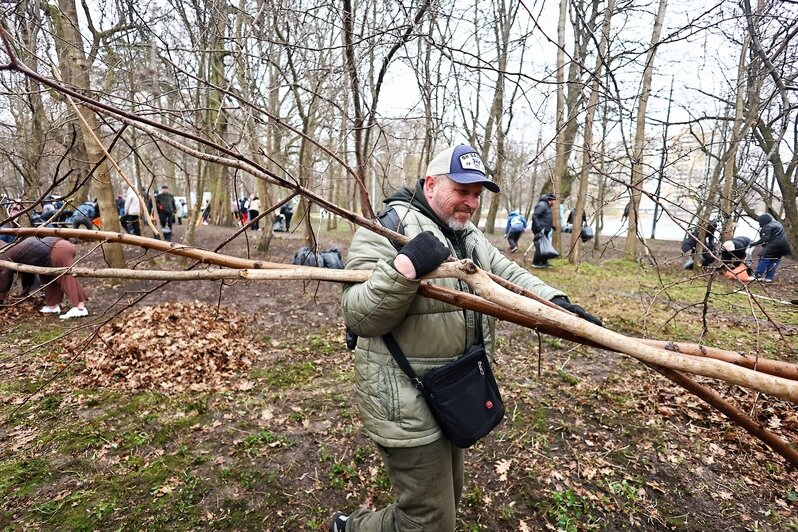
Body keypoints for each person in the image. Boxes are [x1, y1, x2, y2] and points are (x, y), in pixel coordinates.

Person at [336, 145, 601, 532]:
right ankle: (353, 527)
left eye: (477, 194)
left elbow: (506, 272)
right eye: (463, 191)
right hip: (403, 398)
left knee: (446, 500)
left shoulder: (466, 233)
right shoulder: (387, 226)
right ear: (430, 184)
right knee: (429, 522)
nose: (472, 202)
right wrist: (405, 266)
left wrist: (557, 304)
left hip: (452, 390)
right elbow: (359, 315)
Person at [0, 237, 89, 319]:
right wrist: (25, 291)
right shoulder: (12, 250)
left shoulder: (4, 254)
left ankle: (80, 308)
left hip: (58, 249)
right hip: (49, 253)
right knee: (48, 277)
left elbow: (4, 276)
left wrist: (1, 298)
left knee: (66, 277)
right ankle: (52, 305)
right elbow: (27, 272)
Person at [751, 213, 791, 282]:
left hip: (774, 246)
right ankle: (768, 278)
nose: (759, 224)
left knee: (764, 259)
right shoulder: (777, 223)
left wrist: (754, 244)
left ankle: (758, 276)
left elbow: (764, 239)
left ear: (763, 221)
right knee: (775, 260)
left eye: (760, 222)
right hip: (783, 246)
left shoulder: (767, 227)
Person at [530, 192, 557, 268]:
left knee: (544, 245)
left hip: (544, 230)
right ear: (550, 200)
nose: (555, 202)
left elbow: (545, 218)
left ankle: (544, 262)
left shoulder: (547, 206)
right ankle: (535, 263)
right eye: (554, 200)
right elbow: (535, 216)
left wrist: (551, 226)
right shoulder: (542, 205)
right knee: (540, 246)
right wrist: (539, 228)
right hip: (540, 230)